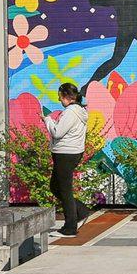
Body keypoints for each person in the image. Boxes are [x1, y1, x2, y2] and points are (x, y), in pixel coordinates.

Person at [44, 82, 88, 236]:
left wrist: (48, 121)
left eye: (60, 97)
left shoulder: (71, 112)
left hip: (65, 154)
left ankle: (70, 227)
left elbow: (57, 132)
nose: (59, 100)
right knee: (55, 187)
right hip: (69, 152)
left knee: (64, 190)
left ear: (67, 97)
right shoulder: (78, 111)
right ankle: (81, 211)